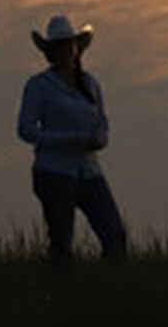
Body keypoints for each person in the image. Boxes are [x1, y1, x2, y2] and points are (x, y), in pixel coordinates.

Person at [16, 13, 128, 263]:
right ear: (50, 52)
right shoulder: (39, 86)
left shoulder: (90, 84)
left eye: (70, 45)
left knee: (114, 234)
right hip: (54, 171)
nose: (66, 51)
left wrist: (99, 138)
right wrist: (68, 140)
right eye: (59, 47)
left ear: (77, 48)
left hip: (89, 170)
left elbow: (102, 121)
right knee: (61, 241)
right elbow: (25, 129)